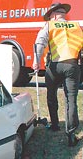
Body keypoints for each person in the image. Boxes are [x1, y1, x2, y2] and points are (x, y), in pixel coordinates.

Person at [32, 2, 83, 147]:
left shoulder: (50, 25)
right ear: (63, 14)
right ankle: (71, 134)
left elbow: (40, 43)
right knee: (71, 99)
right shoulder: (76, 26)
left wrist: (36, 61)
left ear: (53, 15)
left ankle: (54, 125)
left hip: (55, 65)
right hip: (72, 65)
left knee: (51, 94)